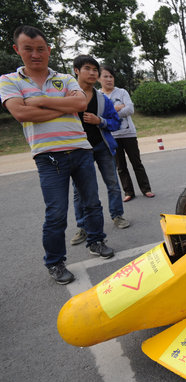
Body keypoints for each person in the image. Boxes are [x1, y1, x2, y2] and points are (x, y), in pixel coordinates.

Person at [0, 26, 114, 285]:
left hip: (81, 150)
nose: (35, 54)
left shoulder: (65, 78)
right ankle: (54, 262)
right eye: (28, 49)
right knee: (56, 213)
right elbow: (21, 114)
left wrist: (38, 101)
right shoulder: (9, 80)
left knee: (92, 203)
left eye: (41, 49)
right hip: (48, 156)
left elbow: (80, 104)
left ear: (49, 50)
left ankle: (96, 241)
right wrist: (62, 107)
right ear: (17, 50)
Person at [69, 55, 130, 246]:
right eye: (88, 68)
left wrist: (100, 121)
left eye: (95, 70)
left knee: (112, 183)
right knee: (80, 191)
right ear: (76, 71)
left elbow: (115, 122)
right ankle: (83, 226)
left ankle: (117, 215)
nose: (93, 73)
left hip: (102, 146)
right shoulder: (67, 96)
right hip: (78, 149)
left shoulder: (102, 99)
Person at [99, 65, 154, 202]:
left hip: (129, 133)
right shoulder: (98, 95)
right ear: (99, 78)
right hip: (111, 136)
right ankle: (128, 192)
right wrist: (116, 108)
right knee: (121, 167)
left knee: (137, 163)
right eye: (105, 76)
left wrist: (110, 113)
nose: (109, 79)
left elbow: (130, 109)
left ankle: (146, 189)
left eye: (111, 76)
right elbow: (100, 114)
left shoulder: (122, 92)